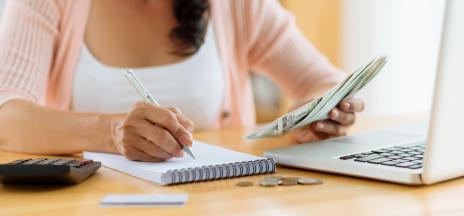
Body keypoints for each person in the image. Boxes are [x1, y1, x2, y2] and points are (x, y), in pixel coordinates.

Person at [0, 0, 364, 162]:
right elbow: (6, 115)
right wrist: (111, 133)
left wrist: (322, 114)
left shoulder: (236, 5)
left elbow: (321, 82)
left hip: (214, 203)